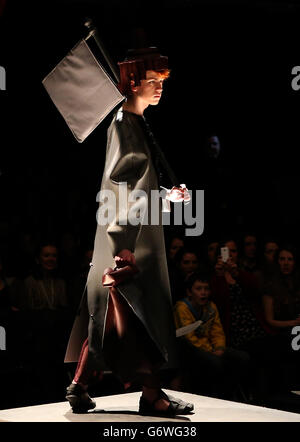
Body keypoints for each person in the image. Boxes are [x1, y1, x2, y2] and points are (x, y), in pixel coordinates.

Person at [64, 47, 193, 416]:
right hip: (128, 240)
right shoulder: (124, 123)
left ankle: (79, 385)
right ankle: (152, 395)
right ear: (133, 83)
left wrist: (167, 197)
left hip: (130, 235)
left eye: (161, 81)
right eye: (152, 81)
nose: (159, 88)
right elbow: (123, 187)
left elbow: (140, 188)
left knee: (109, 314)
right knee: (140, 313)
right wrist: (122, 243)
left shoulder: (133, 122)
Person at [174, 272, 250, 400]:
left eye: (206, 289)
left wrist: (219, 348)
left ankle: (232, 395)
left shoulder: (211, 307)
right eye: (199, 289)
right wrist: (210, 352)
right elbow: (189, 338)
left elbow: (217, 332)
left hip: (210, 349)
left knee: (243, 358)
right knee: (215, 363)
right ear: (189, 292)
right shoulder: (182, 308)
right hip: (190, 350)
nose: (203, 292)